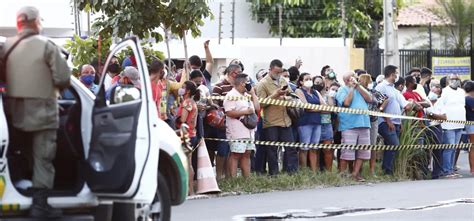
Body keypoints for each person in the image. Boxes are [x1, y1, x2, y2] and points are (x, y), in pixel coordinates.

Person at [3, 6, 70, 218]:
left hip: (13, 112)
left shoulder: (7, 46)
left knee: (21, 152)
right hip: (43, 112)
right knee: (43, 157)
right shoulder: (47, 45)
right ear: (35, 22)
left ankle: (20, 188)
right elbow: (62, 78)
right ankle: (40, 206)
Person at [256, 59, 297, 175]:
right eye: (276, 72)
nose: (278, 74)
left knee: (291, 148)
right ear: (270, 69)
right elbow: (260, 104)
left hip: (286, 121)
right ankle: (274, 174)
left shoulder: (283, 80)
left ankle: (292, 172)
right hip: (271, 122)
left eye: (280, 72)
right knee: (272, 150)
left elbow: (291, 95)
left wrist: (285, 98)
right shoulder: (262, 84)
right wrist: (275, 95)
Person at [376, 65, 418, 175]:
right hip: (385, 123)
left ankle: (387, 171)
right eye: (396, 73)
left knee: (391, 146)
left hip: (396, 123)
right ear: (391, 74)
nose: (397, 75)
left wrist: (413, 103)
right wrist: (388, 121)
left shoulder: (394, 90)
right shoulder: (381, 87)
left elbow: (406, 106)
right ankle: (387, 171)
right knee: (394, 144)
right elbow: (378, 107)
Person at [336, 72, 372, 181]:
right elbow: (346, 102)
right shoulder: (342, 90)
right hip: (349, 125)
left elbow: (369, 99)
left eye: (354, 77)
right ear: (346, 80)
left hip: (364, 123)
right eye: (351, 78)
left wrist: (358, 86)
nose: (353, 79)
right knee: (347, 152)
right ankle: (342, 175)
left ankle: (355, 174)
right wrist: (351, 88)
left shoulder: (360, 88)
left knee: (363, 151)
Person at [224, 74, 260, 177]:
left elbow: (257, 108)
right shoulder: (231, 95)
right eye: (248, 82)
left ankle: (246, 179)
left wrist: (252, 93)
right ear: (242, 83)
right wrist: (246, 112)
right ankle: (233, 179)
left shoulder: (246, 95)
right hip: (237, 130)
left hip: (249, 131)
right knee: (236, 154)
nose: (249, 85)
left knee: (247, 153)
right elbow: (229, 112)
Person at [210, 64, 241, 179]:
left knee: (232, 151)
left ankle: (229, 176)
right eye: (238, 73)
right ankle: (219, 176)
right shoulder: (219, 86)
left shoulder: (239, 87)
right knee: (222, 150)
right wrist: (221, 120)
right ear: (232, 73)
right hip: (224, 124)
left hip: (237, 124)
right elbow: (214, 105)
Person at [358, 74, 388, 175]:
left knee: (373, 145)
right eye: (369, 81)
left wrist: (380, 109)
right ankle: (359, 170)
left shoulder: (374, 92)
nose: (371, 83)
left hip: (373, 120)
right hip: (361, 120)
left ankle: (371, 170)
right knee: (361, 146)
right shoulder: (359, 92)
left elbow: (385, 99)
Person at [437, 74, 465, 178]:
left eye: (457, 79)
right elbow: (441, 105)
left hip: (460, 123)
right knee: (449, 147)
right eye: (453, 79)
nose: (455, 81)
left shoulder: (461, 92)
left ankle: (451, 169)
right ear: (448, 80)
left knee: (455, 148)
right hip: (448, 124)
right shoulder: (445, 91)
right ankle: (446, 170)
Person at [295, 73, 324, 171]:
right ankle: (303, 170)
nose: (309, 80)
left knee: (314, 148)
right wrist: (319, 108)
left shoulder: (315, 92)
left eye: (310, 78)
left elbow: (325, 106)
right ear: (301, 82)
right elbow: (306, 106)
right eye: (306, 79)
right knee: (304, 148)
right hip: (305, 122)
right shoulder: (299, 91)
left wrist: (315, 108)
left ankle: (314, 171)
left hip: (317, 122)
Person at [177, 81, 200, 195]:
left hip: (186, 135)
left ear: (188, 91)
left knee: (187, 163)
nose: (181, 89)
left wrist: (174, 113)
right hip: (192, 134)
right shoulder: (192, 102)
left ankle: (189, 190)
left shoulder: (187, 103)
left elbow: (183, 120)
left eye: (183, 87)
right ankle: (190, 190)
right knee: (189, 162)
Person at [149, 58, 188, 127]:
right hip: (153, 120)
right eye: (164, 69)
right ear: (161, 72)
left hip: (160, 117)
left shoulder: (160, 83)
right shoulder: (149, 85)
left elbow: (179, 86)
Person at [313, 76, 335, 171]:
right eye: (316, 82)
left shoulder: (327, 95)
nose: (319, 84)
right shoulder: (312, 95)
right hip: (315, 124)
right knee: (315, 149)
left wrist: (319, 110)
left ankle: (329, 172)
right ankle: (316, 171)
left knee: (328, 149)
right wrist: (322, 110)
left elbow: (330, 109)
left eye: (321, 83)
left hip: (327, 124)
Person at [425, 87, 447, 179]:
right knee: (426, 150)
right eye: (432, 91)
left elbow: (444, 117)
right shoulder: (425, 100)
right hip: (426, 127)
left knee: (437, 150)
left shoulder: (440, 102)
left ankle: (436, 173)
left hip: (437, 127)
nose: (434, 93)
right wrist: (435, 116)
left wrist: (432, 115)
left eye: (436, 92)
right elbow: (425, 115)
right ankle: (425, 172)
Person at [463, 80, 474, 176]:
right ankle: (472, 169)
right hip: (471, 125)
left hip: (470, 125)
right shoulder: (469, 99)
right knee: (473, 146)